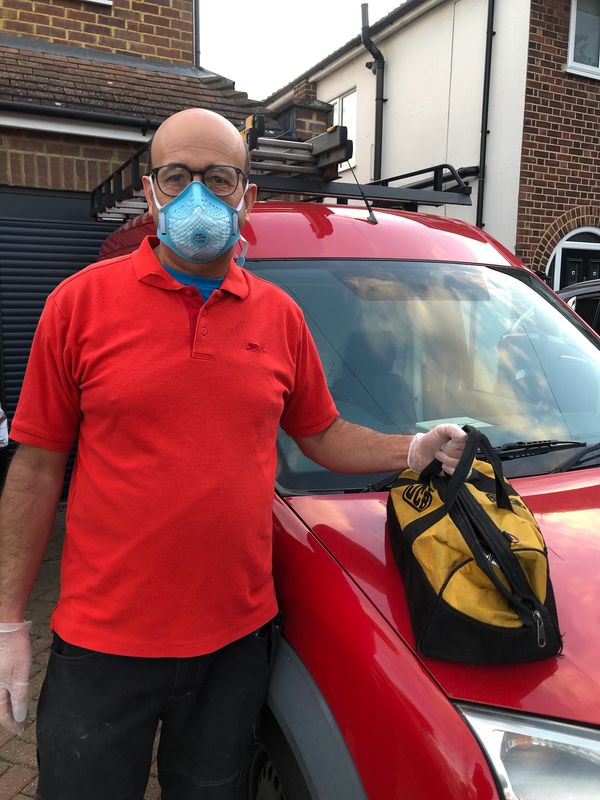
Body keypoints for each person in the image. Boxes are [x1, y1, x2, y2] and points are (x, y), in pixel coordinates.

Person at [0, 108, 467, 800]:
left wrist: (413, 447)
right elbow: (36, 472)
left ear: (245, 196)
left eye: (217, 178)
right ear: (152, 192)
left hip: (234, 646)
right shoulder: (78, 306)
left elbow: (323, 434)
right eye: (177, 176)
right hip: (103, 647)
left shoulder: (280, 317)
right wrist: (10, 620)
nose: (197, 195)